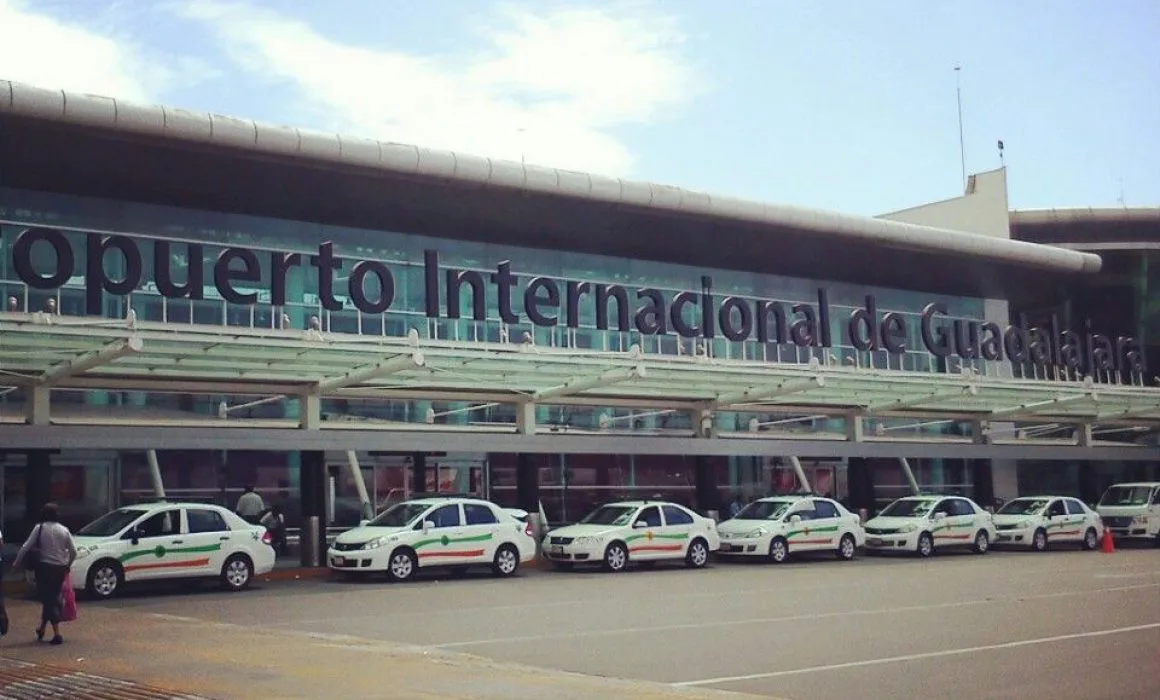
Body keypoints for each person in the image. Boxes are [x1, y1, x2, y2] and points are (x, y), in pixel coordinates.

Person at [14, 503, 77, 645]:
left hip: (44, 568)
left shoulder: (39, 528)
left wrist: (16, 563)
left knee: (49, 599)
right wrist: (67, 565)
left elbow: (26, 547)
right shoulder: (64, 530)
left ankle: (57, 634)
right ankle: (42, 628)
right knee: (51, 597)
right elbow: (74, 551)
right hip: (60, 568)